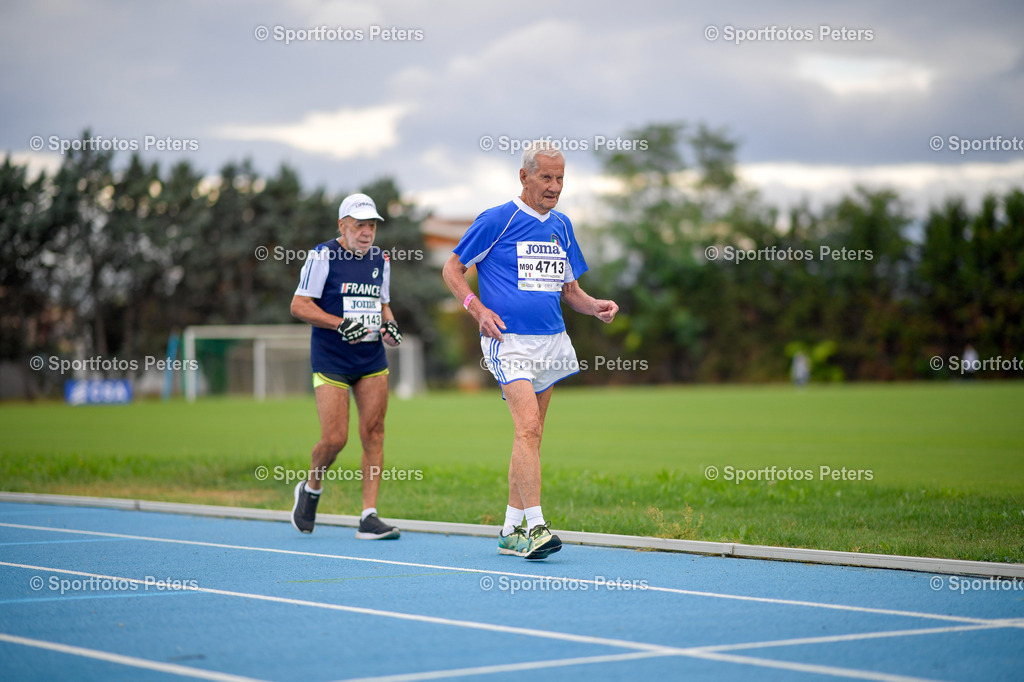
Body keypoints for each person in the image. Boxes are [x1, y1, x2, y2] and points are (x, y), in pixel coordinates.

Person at [442, 141, 618, 560]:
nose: (555, 186)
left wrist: (594, 307)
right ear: (524, 177)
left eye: (560, 178)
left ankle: (509, 530)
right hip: (508, 341)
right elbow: (451, 269)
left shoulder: (562, 225)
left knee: (531, 437)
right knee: (527, 428)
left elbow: (570, 290)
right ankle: (536, 528)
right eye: (547, 177)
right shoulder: (497, 220)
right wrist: (477, 308)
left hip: (552, 341)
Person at [289, 192, 403, 540]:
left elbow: (383, 304)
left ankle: (369, 515)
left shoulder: (381, 259)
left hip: (371, 359)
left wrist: (390, 324)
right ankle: (310, 488)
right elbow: (299, 306)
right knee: (335, 439)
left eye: (372, 225)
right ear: (342, 226)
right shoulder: (324, 255)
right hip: (331, 360)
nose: (367, 232)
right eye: (359, 226)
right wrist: (339, 323)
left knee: (374, 433)